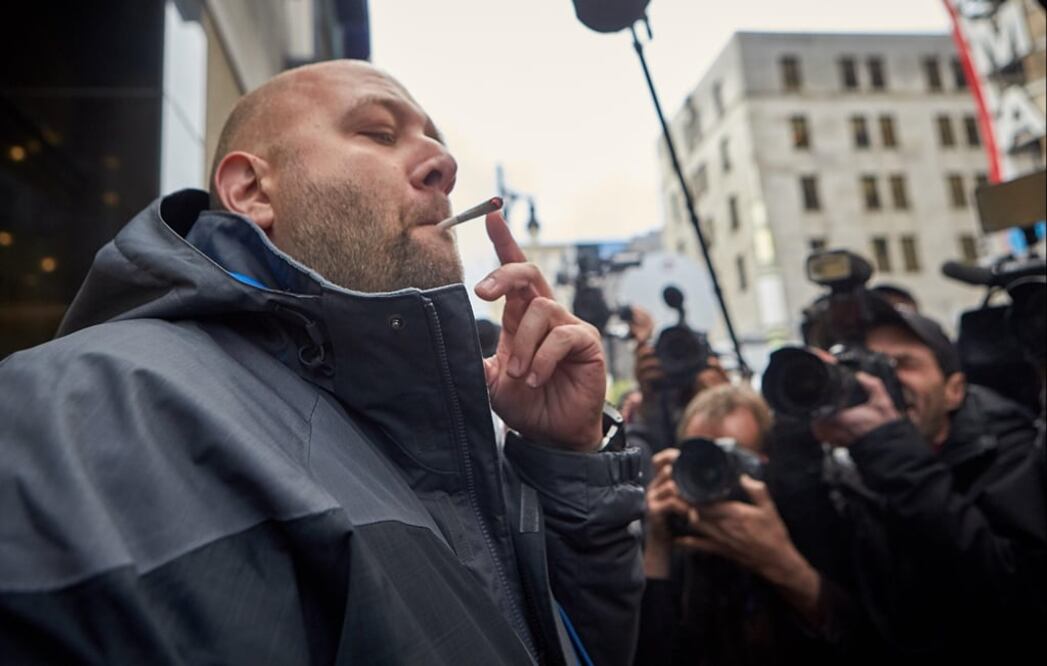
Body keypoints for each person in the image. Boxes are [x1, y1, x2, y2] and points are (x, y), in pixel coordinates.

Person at [0, 60, 644, 665]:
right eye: (378, 132)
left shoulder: (434, 429)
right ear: (251, 189)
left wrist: (568, 462)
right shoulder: (87, 404)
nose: (444, 164)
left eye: (436, 142)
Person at [810, 300, 1047, 661]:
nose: (882, 381)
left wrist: (891, 452)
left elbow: (1018, 593)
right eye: (868, 366)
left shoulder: (1010, 453)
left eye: (901, 364)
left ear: (954, 390)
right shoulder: (860, 471)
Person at [634, 385, 851, 666]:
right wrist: (657, 546)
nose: (711, 475)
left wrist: (782, 564)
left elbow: (862, 641)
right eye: (700, 459)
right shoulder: (678, 533)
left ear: (764, 463)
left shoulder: (802, 524)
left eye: (730, 457)